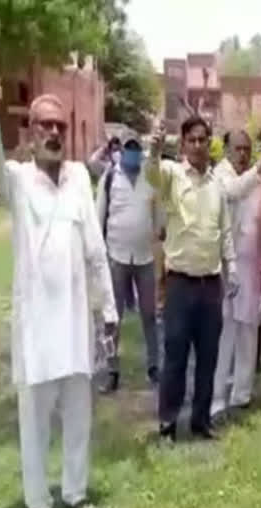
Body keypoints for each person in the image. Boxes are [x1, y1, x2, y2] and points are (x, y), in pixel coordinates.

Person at [0, 84, 118, 508]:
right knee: (35, 426)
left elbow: (96, 250)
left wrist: (109, 309)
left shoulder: (80, 177)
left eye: (59, 125)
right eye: (44, 124)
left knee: (79, 418)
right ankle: (38, 501)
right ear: (29, 133)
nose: (53, 131)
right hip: (37, 329)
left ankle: (75, 493)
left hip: (75, 321)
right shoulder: (17, 179)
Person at [147, 117, 249, 442]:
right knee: (175, 356)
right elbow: (151, 175)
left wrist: (231, 268)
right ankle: (167, 423)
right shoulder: (172, 176)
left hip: (210, 286)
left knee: (208, 357)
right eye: (191, 140)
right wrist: (155, 148)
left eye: (203, 139)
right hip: (180, 283)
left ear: (210, 144)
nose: (198, 145)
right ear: (183, 144)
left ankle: (201, 421)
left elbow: (225, 232)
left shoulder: (216, 186)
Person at [211, 130, 261, 418]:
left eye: (247, 149)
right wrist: (256, 171)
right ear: (226, 150)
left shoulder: (255, 180)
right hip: (225, 264)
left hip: (250, 266)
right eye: (238, 148)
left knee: (249, 328)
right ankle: (217, 394)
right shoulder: (218, 175)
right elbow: (231, 192)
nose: (243, 154)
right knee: (224, 331)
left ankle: (242, 393)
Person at [96, 132, 162, 393]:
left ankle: (154, 366)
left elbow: (158, 211)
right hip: (116, 257)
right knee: (112, 318)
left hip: (144, 257)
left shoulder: (149, 176)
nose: (133, 152)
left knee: (150, 315)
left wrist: (161, 229)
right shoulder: (110, 177)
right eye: (129, 148)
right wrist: (98, 252)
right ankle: (111, 370)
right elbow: (98, 215)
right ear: (121, 150)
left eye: (137, 147)